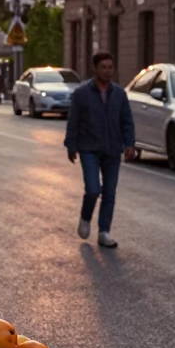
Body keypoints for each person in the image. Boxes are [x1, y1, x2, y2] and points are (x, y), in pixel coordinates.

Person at [65, 51, 136, 248]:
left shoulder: (119, 94)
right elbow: (74, 122)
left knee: (110, 193)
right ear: (94, 69)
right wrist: (71, 145)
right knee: (94, 189)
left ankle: (104, 232)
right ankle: (85, 217)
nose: (107, 71)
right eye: (103, 67)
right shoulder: (82, 94)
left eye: (110, 67)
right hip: (89, 148)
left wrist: (129, 144)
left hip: (112, 149)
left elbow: (127, 121)